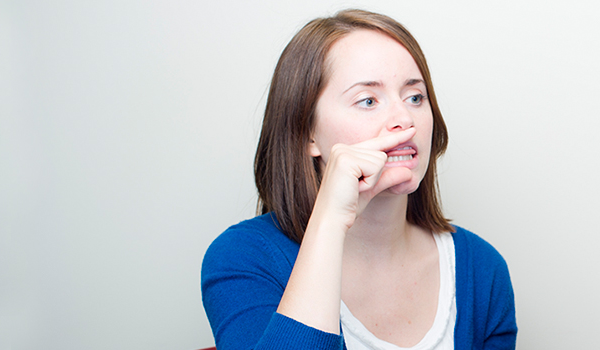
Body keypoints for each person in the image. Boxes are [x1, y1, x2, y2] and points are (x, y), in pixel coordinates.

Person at [201, 9, 516, 350]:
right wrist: (331, 220)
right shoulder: (243, 258)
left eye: (415, 97)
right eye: (368, 101)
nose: (403, 119)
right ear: (308, 134)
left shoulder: (482, 269)